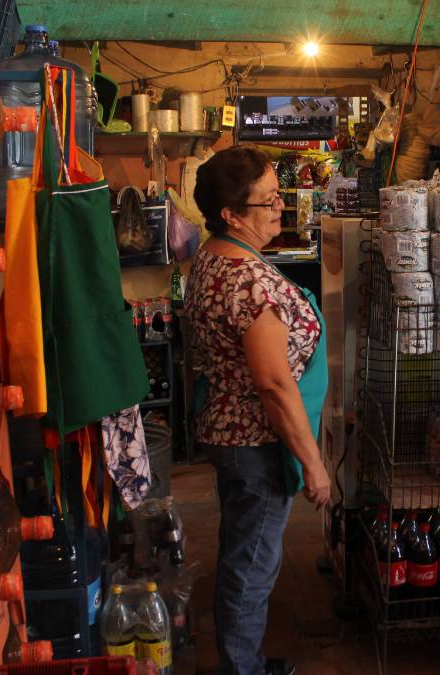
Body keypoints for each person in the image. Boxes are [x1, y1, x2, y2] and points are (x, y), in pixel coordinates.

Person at [189, 145, 331, 675]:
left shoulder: (215, 255)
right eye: (268, 202)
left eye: (280, 197)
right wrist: (313, 462)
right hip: (255, 442)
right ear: (231, 213)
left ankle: (240, 659)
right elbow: (273, 385)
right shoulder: (247, 280)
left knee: (241, 553)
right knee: (252, 567)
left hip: (230, 431)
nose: (280, 210)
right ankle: (241, 669)